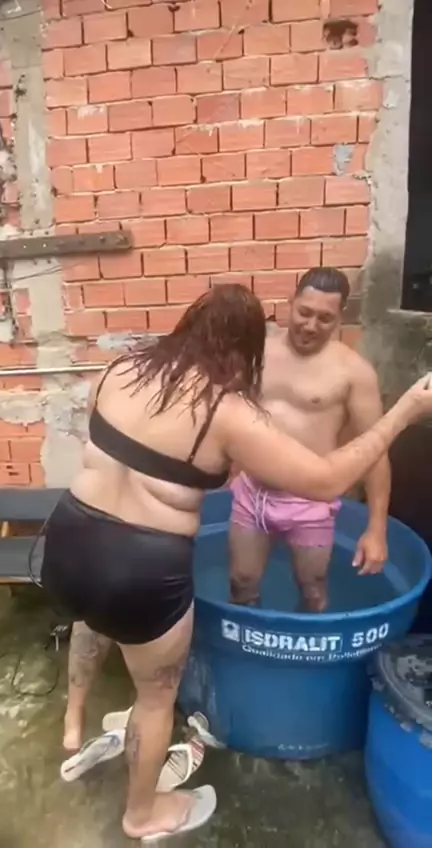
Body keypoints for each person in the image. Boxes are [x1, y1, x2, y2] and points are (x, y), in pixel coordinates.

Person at [40, 283, 432, 843]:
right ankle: (142, 815)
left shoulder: (119, 370)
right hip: (141, 567)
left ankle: (72, 722)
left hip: (69, 537)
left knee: (90, 616)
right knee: (155, 699)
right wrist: (407, 411)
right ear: (249, 348)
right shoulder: (226, 411)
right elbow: (326, 480)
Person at [229, 267, 391, 612]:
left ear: (339, 318)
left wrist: (376, 530)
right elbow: (226, 416)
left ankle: (307, 645)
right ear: (291, 303)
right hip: (253, 494)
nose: (311, 325)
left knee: (313, 589)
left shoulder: (353, 372)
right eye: (304, 312)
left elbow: (375, 451)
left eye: (324, 318)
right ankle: (243, 642)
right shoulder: (257, 353)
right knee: (241, 582)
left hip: (311, 503)